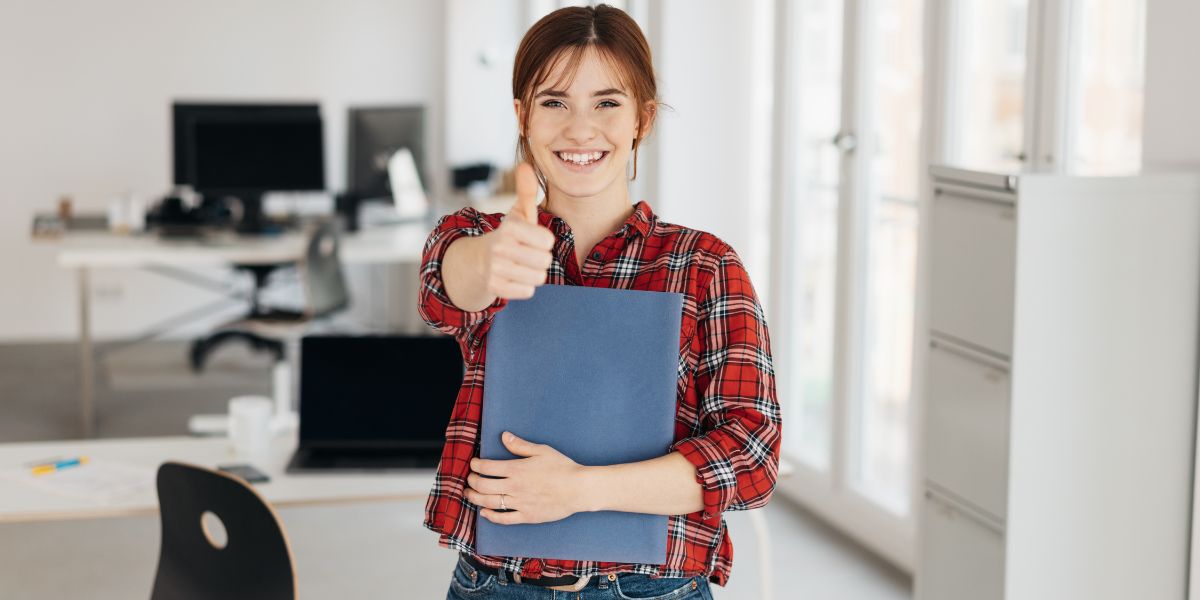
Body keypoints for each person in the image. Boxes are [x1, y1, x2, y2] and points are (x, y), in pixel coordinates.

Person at [418, 5, 781, 598]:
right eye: (554, 101)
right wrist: (493, 259)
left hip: (652, 589)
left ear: (644, 117)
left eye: (607, 103)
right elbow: (447, 287)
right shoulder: (478, 236)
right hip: (494, 585)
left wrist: (580, 489)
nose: (580, 129)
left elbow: (751, 455)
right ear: (523, 116)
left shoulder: (705, 265)